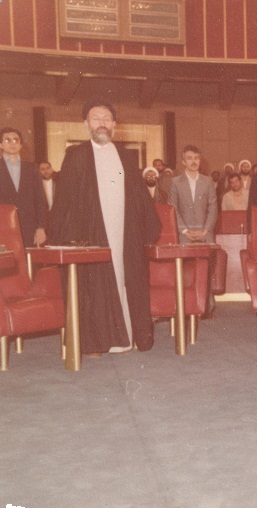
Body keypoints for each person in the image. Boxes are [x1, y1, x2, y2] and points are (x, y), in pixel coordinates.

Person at [48, 99, 161, 354]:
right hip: (90, 233)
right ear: (86, 123)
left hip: (124, 232)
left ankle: (127, 338)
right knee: (95, 288)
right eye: (96, 118)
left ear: (114, 125)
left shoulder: (125, 155)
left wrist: (145, 228)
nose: (102, 123)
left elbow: (140, 197)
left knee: (125, 279)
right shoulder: (76, 155)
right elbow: (64, 199)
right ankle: (98, 342)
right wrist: (64, 233)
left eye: (107, 118)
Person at [169, 144, 218, 315]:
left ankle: (207, 307)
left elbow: (213, 208)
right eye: (189, 158)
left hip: (205, 233)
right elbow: (172, 208)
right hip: (184, 235)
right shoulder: (175, 182)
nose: (193, 161)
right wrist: (185, 231)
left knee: (206, 270)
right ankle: (187, 307)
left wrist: (205, 230)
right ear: (183, 162)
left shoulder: (208, 181)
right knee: (185, 273)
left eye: (196, 158)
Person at [0, 127, 47, 247]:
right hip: (3, 226)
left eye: (15, 140)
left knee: (29, 259)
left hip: (29, 228)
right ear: (1, 145)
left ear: (20, 144)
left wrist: (41, 227)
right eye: (7, 140)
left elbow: (40, 199)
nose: (12, 143)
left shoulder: (31, 168)